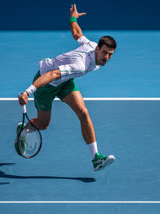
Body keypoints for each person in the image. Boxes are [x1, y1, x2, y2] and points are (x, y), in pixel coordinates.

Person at [17, 4, 116, 171]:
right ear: (97, 48)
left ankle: (96, 159)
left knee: (83, 113)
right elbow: (52, 75)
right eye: (105, 53)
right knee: (43, 124)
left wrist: (73, 18)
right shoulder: (80, 65)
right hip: (46, 84)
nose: (106, 57)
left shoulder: (92, 45)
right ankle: (23, 129)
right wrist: (28, 92)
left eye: (110, 55)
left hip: (65, 81)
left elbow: (77, 34)